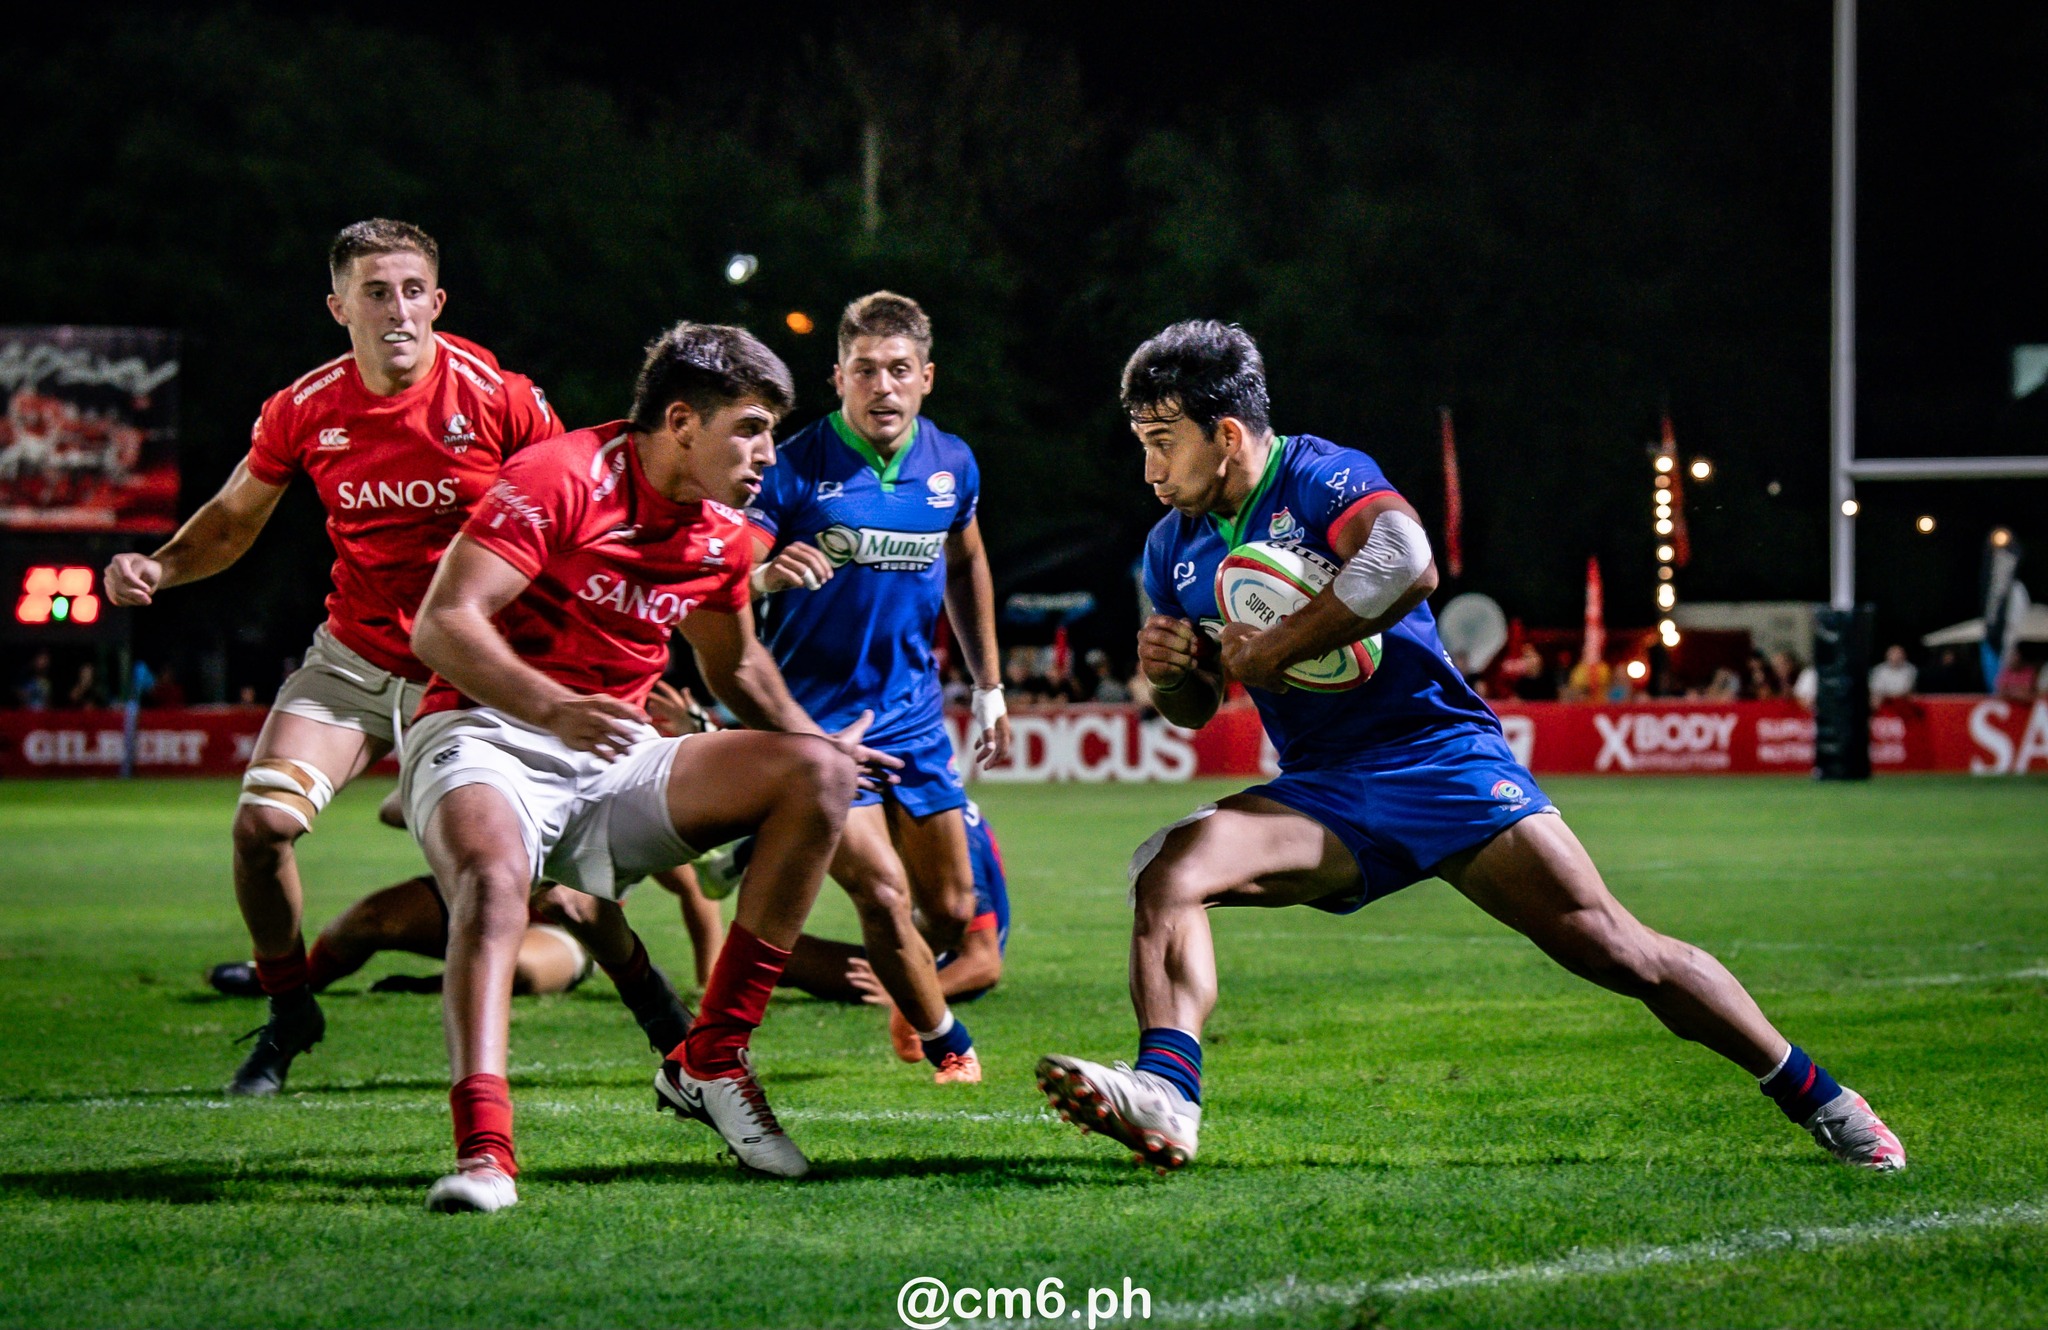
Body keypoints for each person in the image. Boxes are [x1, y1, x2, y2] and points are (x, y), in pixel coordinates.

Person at [1036, 321, 1904, 1176]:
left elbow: (1407, 558)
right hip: (1325, 790)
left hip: (1441, 762)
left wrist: (1280, 644)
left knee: (1618, 949)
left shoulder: (1320, 474)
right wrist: (1174, 671)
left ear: (1226, 434)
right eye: (1140, 443)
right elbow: (1194, 709)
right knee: (1169, 869)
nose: (1149, 468)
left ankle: (1819, 1096)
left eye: (1162, 442)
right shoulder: (1170, 547)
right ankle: (1167, 1094)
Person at [102, 219, 691, 1097]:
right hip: (355, 658)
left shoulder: (499, 395)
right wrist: (161, 564)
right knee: (261, 830)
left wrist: (622, 656)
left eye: (414, 290)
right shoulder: (305, 408)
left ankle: (663, 1018)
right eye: (376, 292)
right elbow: (232, 521)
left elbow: (584, 519)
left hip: (475, 673)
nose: (399, 309)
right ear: (339, 307)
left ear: (438, 300)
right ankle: (290, 1009)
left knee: (560, 896)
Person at [402, 320, 893, 1212]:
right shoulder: (560, 476)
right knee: (493, 875)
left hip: (614, 755)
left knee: (815, 776)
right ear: (680, 422)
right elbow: (443, 623)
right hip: (484, 729)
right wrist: (548, 706)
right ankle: (484, 1154)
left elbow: (737, 666)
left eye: (773, 434)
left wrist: (821, 748)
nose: (766, 456)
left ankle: (710, 1059)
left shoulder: (718, 533)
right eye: (750, 429)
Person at [741, 292, 1011, 1086]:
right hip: (817, 730)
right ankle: (944, 1040)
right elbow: (726, 574)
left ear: (926, 378)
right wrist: (760, 576)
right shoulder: (791, 469)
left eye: (899, 371)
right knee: (882, 890)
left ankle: (900, 983)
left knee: (953, 912)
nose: (883, 388)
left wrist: (989, 686)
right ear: (838, 378)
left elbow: (967, 563)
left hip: (917, 719)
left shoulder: (951, 463)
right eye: (866, 371)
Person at [702, 799, 1010, 1059]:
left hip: (947, 969)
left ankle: (726, 869)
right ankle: (728, 867)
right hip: (915, 946)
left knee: (785, 956)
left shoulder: (952, 842)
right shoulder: (928, 810)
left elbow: (984, 963)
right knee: (772, 949)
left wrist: (902, 990)